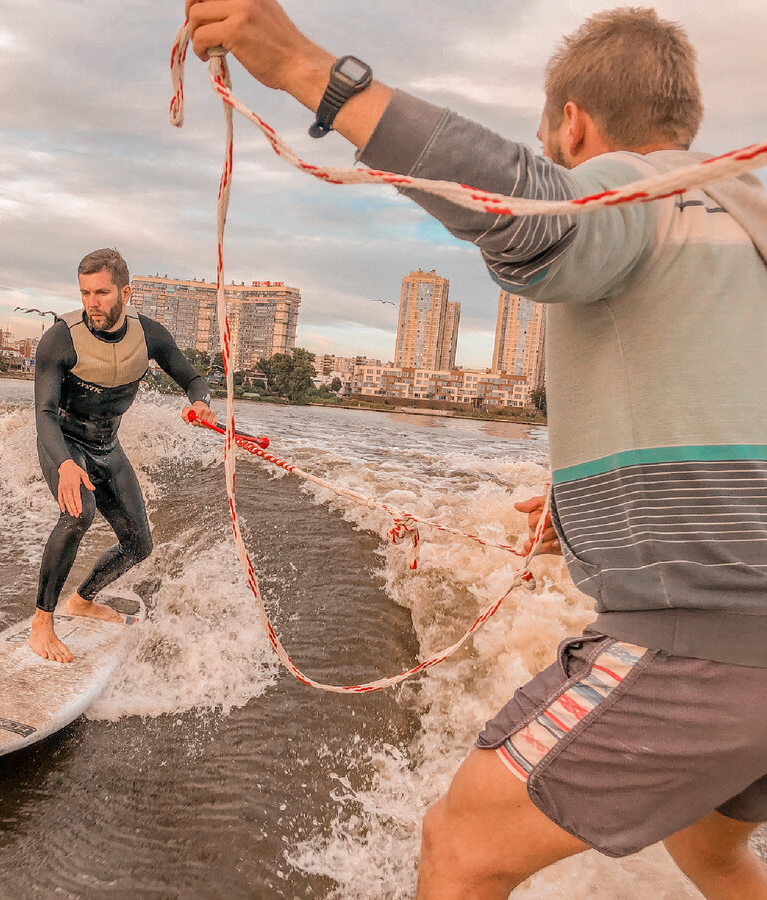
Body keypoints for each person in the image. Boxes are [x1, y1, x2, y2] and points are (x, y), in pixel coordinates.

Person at [187, 2, 767, 897]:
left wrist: (309, 69)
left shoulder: (633, 189)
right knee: (711, 849)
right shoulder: (747, 218)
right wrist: (591, 515)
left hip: (708, 642)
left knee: (458, 846)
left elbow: (523, 211)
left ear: (572, 124)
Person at [29, 248, 216, 663]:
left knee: (138, 545)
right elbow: (43, 412)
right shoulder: (61, 338)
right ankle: (42, 622)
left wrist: (200, 402)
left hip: (107, 447)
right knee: (79, 514)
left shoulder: (149, 335)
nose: (91, 303)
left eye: (102, 293)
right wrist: (64, 465)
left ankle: (82, 599)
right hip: (63, 444)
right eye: (84, 293)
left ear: (125, 292)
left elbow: (192, 378)